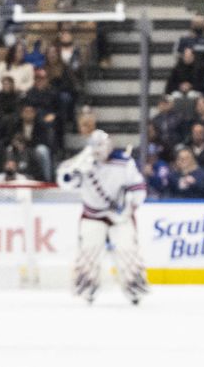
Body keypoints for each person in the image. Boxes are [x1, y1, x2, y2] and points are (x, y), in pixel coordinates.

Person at [56, 130, 148, 304]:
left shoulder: (124, 162)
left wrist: (130, 204)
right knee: (89, 252)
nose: (99, 151)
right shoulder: (84, 163)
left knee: (127, 249)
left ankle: (134, 286)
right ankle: (88, 286)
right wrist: (74, 169)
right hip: (93, 214)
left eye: (102, 146)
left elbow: (138, 188)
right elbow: (65, 183)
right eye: (96, 147)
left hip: (120, 216)